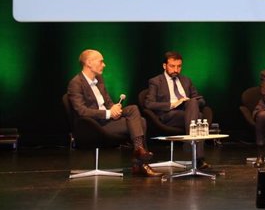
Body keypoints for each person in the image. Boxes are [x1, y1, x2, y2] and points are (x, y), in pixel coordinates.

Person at [67, 49, 161, 177]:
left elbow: (108, 102)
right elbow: (81, 111)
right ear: (89, 63)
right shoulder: (76, 83)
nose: (104, 65)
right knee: (142, 122)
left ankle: (139, 153)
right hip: (94, 125)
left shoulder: (99, 79)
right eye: (101, 61)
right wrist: (108, 113)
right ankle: (140, 163)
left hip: (107, 120)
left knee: (133, 109)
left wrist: (114, 109)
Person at [144, 51, 211, 170]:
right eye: (172, 66)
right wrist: (172, 104)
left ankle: (190, 145)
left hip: (188, 112)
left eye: (179, 66)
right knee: (198, 118)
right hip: (169, 115)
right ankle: (198, 158)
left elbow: (200, 100)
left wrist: (188, 101)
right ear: (164, 66)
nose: (176, 69)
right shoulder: (155, 81)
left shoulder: (186, 80)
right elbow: (149, 104)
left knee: (193, 105)